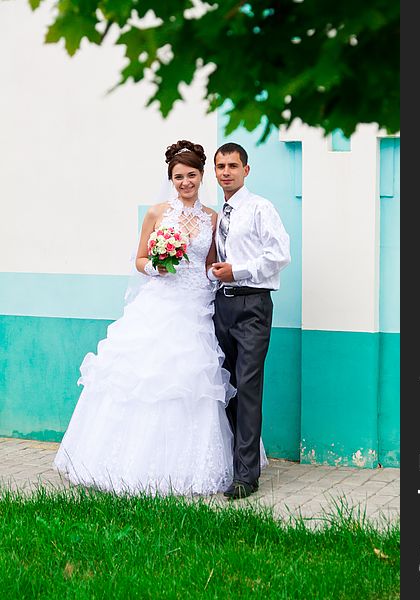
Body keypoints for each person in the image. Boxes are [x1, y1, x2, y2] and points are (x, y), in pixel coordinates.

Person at [54, 140, 252, 496]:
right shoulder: (157, 214)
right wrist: (158, 267)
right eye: (178, 176)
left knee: (193, 382)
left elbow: (208, 263)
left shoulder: (212, 217)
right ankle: (125, 464)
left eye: (191, 175)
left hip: (197, 308)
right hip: (160, 304)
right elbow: (140, 260)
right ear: (170, 178)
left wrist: (215, 274)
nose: (185, 182)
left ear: (201, 176)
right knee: (146, 379)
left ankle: (188, 466)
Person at [208, 142, 291, 500]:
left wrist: (237, 271)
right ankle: (236, 463)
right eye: (220, 166)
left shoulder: (260, 208)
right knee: (227, 386)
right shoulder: (217, 214)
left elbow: (279, 255)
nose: (226, 172)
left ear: (246, 169)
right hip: (221, 308)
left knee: (248, 385)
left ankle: (246, 477)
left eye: (233, 165)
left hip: (252, 306)